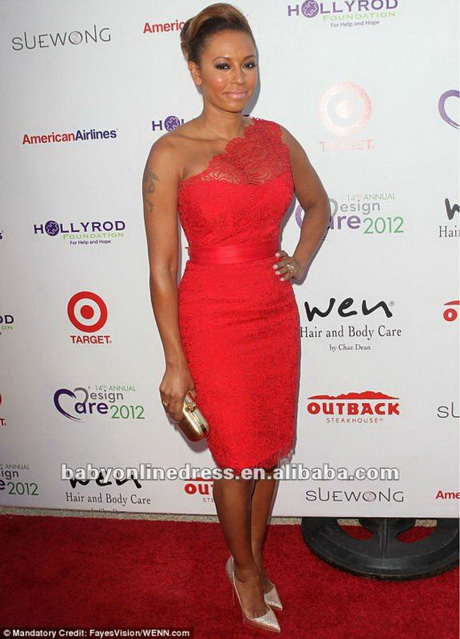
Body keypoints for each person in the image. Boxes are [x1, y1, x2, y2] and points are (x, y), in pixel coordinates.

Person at [142, 2, 330, 633]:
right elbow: (162, 269)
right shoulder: (171, 152)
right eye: (223, 66)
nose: (239, 78)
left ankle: (252, 558)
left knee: (267, 452)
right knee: (235, 456)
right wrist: (174, 362)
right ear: (195, 72)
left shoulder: (276, 137)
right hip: (212, 317)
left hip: (273, 312)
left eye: (248, 64)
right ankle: (245, 570)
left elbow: (318, 204)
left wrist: (298, 260)